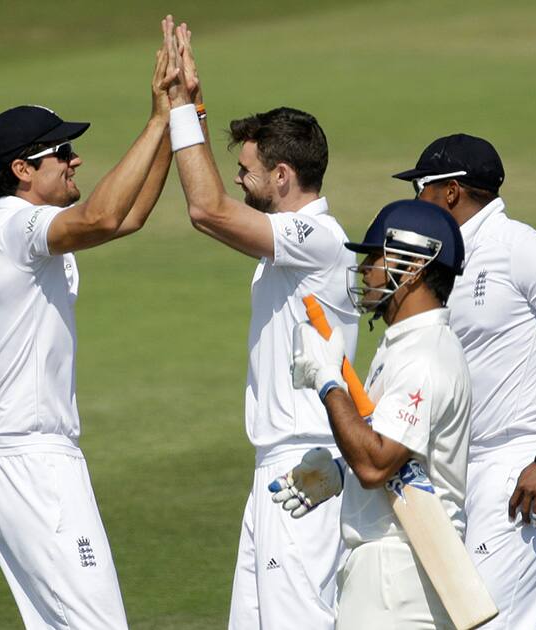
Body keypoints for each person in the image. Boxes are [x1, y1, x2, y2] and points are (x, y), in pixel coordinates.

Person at [0, 33, 176, 629]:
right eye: (62, 152)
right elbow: (105, 214)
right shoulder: (14, 228)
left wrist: (179, 120)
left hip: (27, 457)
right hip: (32, 460)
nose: (75, 159)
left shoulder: (36, 232)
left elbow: (130, 217)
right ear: (22, 170)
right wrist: (157, 117)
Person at [161, 21, 359, 629]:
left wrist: (178, 113)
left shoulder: (316, 238)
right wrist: (192, 102)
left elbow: (206, 209)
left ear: (281, 175)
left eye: (247, 169)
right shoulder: (294, 247)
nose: (239, 179)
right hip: (280, 466)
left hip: (306, 466)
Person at [393, 134, 536, 628]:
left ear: (450, 192)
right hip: (462, 467)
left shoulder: (525, 249)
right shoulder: (443, 262)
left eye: (422, 190)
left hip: (525, 468)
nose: (417, 203)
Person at [281, 199, 473, 628]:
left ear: (414, 267)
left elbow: (375, 463)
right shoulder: (404, 347)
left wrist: (328, 381)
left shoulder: (425, 357)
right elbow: (394, 459)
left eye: (375, 257)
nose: (365, 269)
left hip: (399, 573)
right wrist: (339, 471)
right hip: (393, 568)